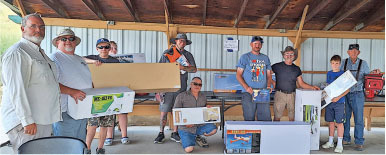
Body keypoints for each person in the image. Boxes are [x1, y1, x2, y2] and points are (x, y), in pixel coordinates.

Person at [0, 13, 61, 152]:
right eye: (33, 26)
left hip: (41, 120)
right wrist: (27, 121)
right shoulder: (18, 53)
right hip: (27, 124)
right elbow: (17, 90)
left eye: (41, 27)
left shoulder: (38, 52)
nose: (38, 30)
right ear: (22, 29)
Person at [50, 29, 91, 143]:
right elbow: (50, 83)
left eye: (71, 38)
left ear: (75, 42)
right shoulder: (54, 58)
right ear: (58, 42)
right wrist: (72, 92)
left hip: (82, 109)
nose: (68, 41)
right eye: (64, 39)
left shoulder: (79, 59)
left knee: (79, 144)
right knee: (66, 145)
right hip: (65, 111)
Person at [154, 33, 197, 144]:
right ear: (176, 41)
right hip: (167, 88)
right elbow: (159, 71)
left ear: (186, 43)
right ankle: (160, 133)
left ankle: (175, 132)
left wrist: (183, 67)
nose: (181, 42)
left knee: (177, 111)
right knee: (164, 111)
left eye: (184, 41)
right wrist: (158, 90)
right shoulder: (167, 53)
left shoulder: (188, 55)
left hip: (181, 87)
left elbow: (194, 69)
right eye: (179, 40)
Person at [341, 44, 380, 151]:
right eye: (351, 51)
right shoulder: (343, 63)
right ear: (348, 52)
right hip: (345, 94)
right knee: (345, 118)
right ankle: (346, 138)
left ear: (358, 53)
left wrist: (375, 73)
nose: (353, 53)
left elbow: (368, 77)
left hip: (358, 94)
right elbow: (339, 77)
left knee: (359, 119)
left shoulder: (364, 63)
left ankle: (359, 142)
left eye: (355, 51)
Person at [84, 38, 119, 154]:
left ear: (110, 48)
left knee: (105, 125)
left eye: (106, 47)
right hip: (94, 98)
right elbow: (79, 59)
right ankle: (87, 148)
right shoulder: (93, 58)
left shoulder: (115, 62)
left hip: (109, 97)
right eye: (101, 47)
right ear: (97, 49)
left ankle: (100, 148)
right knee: (92, 126)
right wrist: (93, 62)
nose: (104, 49)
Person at [271, 46, 320, 121]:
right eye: (287, 54)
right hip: (280, 94)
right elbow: (267, 74)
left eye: (291, 54)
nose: (289, 56)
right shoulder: (276, 66)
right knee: (277, 117)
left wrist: (312, 87)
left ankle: (292, 132)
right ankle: (275, 132)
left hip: (292, 95)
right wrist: (272, 82)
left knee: (292, 117)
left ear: (294, 56)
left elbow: (301, 84)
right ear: (284, 55)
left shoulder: (297, 69)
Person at [173, 77, 217, 153]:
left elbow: (204, 108)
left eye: (200, 84)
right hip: (186, 128)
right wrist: (185, 123)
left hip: (199, 125)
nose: (197, 86)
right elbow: (176, 113)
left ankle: (197, 137)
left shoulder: (203, 96)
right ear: (191, 84)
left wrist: (208, 107)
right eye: (195, 84)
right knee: (189, 149)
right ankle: (185, 139)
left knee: (213, 129)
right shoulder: (181, 96)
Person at [236, 36, 273, 121]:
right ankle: (250, 134)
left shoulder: (265, 58)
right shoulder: (245, 57)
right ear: (251, 44)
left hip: (262, 92)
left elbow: (269, 74)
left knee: (265, 118)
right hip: (248, 92)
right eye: (255, 43)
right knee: (249, 117)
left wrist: (268, 85)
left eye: (259, 44)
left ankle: (264, 134)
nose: (257, 45)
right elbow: (238, 75)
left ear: (261, 45)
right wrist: (246, 88)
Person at [321, 55, 349, 153]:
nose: (335, 65)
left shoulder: (344, 74)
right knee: (331, 122)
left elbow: (347, 89)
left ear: (340, 64)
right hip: (330, 102)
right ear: (330, 63)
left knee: (339, 123)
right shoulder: (329, 73)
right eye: (333, 63)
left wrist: (338, 97)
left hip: (339, 102)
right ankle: (330, 141)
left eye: (337, 63)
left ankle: (340, 144)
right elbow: (329, 87)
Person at [104, 41, 130, 146]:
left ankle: (124, 135)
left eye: (115, 48)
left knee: (122, 112)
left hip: (120, 89)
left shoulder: (120, 61)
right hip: (107, 90)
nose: (113, 50)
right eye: (111, 48)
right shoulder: (101, 61)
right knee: (109, 111)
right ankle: (109, 136)